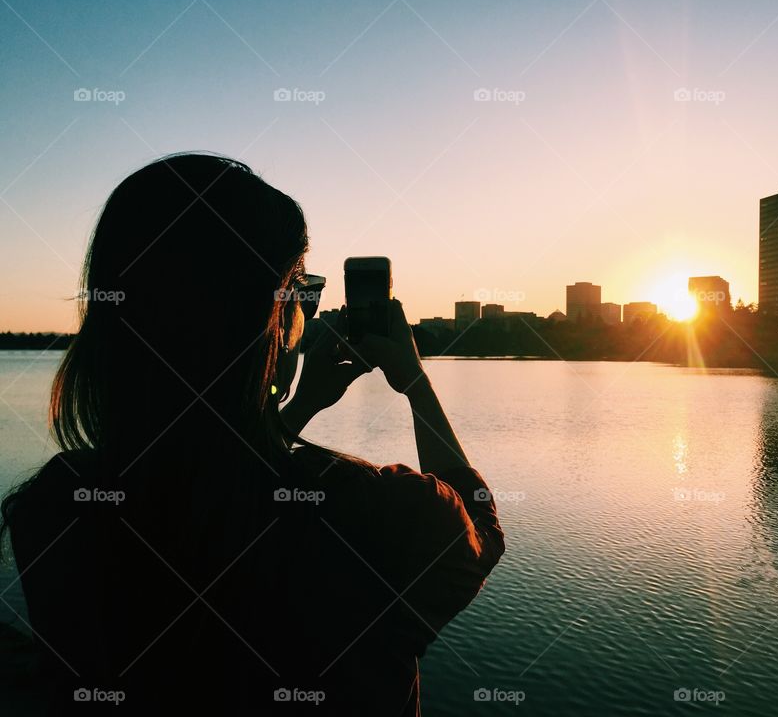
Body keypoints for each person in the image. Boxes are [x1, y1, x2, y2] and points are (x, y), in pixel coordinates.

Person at [0, 153, 504, 715]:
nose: (306, 316)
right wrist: (414, 384)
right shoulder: (374, 514)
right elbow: (479, 530)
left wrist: (297, 407)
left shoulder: (56, 509)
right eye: (299, 291)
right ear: (265, 321)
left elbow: (209, 474)